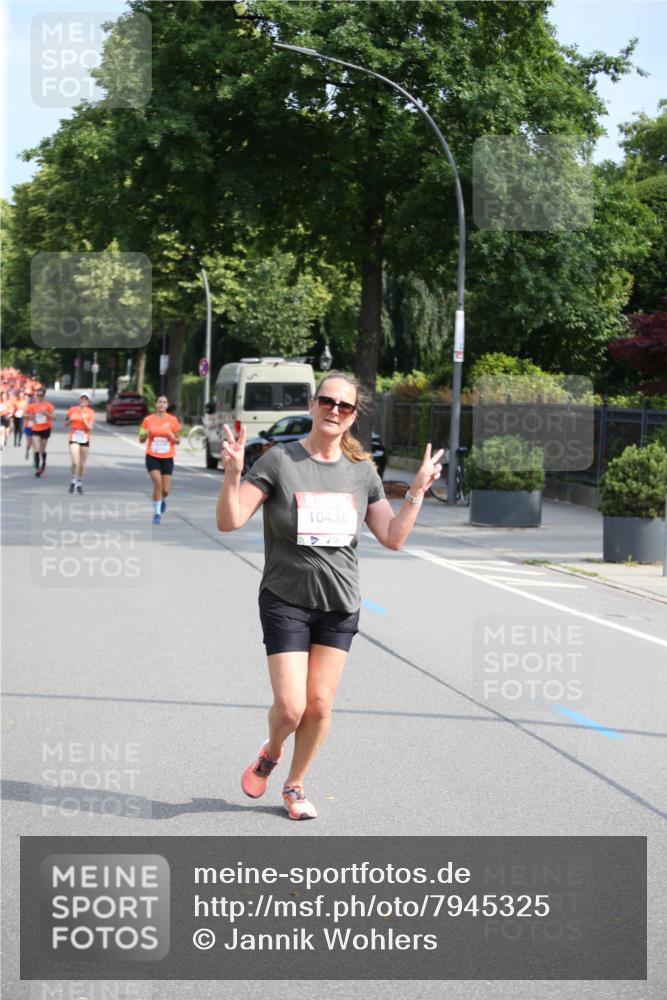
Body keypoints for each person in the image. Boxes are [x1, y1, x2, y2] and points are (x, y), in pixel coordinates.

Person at [216, 371, 444, 820]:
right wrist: (232, 475)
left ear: (354, 416)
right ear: (313, 404)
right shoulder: (280, 461)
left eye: (345, 406)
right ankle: (271, 751)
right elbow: (231, 520)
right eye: (328, 401)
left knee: (319, 706)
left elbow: (392, 537)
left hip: (340, 604)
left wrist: (416, 490)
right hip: (285, 598)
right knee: (291, 707)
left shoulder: (362, 472)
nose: (335, 410)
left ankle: (295, 785)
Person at [139, 395, 181, 524]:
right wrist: (146, 434)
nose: (162, 404)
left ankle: (162, 500)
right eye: (160, 402)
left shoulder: (173, 420)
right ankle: (157, 514)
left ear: (167, 405)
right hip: (152, 456)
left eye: (164, 402)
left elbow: (178, 440)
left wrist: (172, 438)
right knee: (157, 483)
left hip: (167, 458)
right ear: (156, 404)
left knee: (165, 490)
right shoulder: (147, 420)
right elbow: (141, 439)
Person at [64, 393, 95, 493]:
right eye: (82, 398)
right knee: (75, 462)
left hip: (85, 437)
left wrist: (85, 421)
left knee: (82, 464)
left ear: (88, 402)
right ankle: (73, 480)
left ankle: (79, 482)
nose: (83, 400)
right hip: (74, 436)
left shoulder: (90, 412)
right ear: (79, 400)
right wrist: (70, 420)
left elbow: (91, 428)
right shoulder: (72, 409)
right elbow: (65, 424)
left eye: (86, 399)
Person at [26, 388, 55, 476]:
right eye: (37, 395)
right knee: (37, 448)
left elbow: (54, 417)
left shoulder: (49, 405)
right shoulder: (32, 405)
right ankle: (37, 468)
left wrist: (46, 413)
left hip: (46, 429)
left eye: (41, 395)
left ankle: (44, 462)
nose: (39, 397)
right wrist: (31, 416)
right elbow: (25, 414)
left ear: (44, 396)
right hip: (36, 429)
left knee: (42, 449)